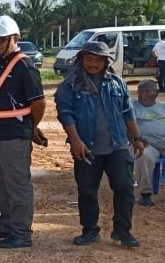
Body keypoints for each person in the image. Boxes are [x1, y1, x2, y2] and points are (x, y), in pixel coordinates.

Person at [55, 41, 145, 248]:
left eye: (98, 59)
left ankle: (123, 231)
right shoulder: (70, 85)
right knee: (87, 190)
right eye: (89, 58)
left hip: (118, 145)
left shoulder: (116, 82)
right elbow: (65, 115)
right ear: (81, 60)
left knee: (124, 188)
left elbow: (127, 112)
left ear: (106, 62)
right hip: (86, 148)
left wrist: (137, 138)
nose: (93, 63)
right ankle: (90, 231)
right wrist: (76, 141)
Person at [0, 16, 46, 249]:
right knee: (0, 182)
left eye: (1, 40)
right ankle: (7, 223)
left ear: (14, 39)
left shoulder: (24, 65)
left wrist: (31, 127)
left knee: (17, 184)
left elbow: (38, 102)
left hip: (15, 133)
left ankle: (21, 232)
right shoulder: (2, 62)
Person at [131, 79, 165, 207]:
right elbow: (126, 125)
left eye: (147, 91)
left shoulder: (163, 107)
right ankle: (145, 194)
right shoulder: (132, 107)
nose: (143, 95)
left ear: (156, 93)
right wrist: (136, 139)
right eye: (140, 91)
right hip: (147, 144)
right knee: (143, 155)